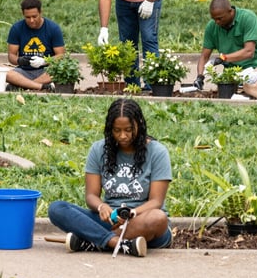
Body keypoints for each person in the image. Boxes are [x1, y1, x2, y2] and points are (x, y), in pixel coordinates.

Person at [48, 99, 172, 258]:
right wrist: (101, 207)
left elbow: (156, 202)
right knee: (57, 209)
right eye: (117, 130)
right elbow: (91, 196)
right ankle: (117, 244)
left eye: (129, 130)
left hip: (142, 221)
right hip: (109, 221)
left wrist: (131, 213)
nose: (123, 136)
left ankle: (93, 240)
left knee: (158, 217)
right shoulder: (99, 149)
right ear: (109, 129)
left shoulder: (158, 152)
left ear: (139, 126)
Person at [194, 0, 257, 91]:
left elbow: (249, 52)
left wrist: (223, 58)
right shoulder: (212, 26)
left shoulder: (247, 18)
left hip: (253, 71)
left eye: (220, 18)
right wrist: (200, 77)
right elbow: (204, 57)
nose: (217, 22)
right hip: (230, 75)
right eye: (214, 19)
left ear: (230, 11)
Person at [6, 0, 66, 92]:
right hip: (24, 70)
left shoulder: (53, 28)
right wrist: (20, 60)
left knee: (58, 73)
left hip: (46, 70)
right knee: (8, 75)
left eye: (34, 16)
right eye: (28, 17)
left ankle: (25, 86)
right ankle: (41, 87)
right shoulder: (16, 28)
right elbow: (11, 56)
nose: (31, 20)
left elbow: (61, 55)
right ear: (23, 14)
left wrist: (44, 61)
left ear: (41, 12)